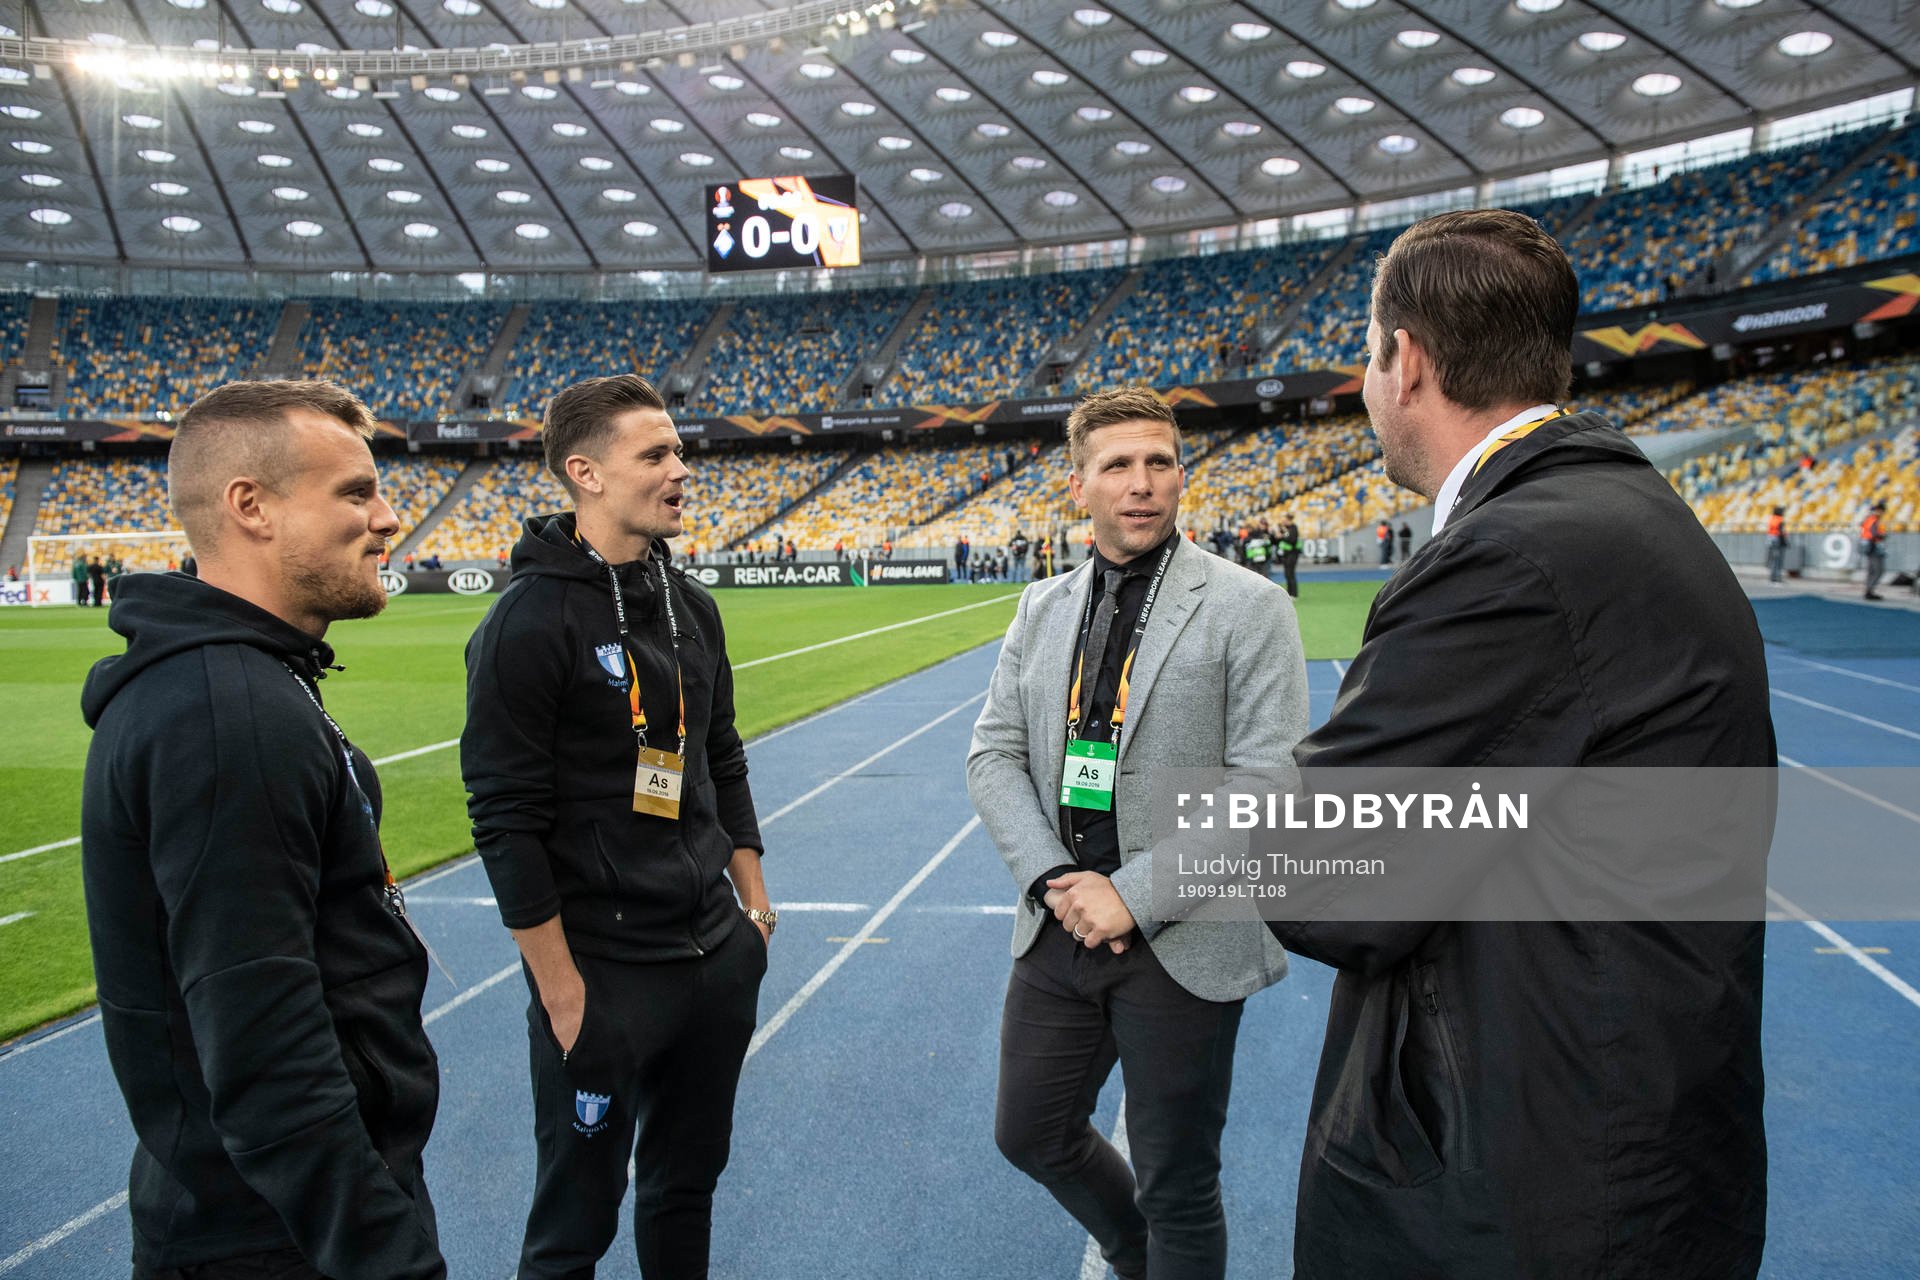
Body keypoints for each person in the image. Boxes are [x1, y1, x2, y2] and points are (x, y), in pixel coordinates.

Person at [1262, 209, 1773, 1276]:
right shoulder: (1622, 512)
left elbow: (1317, 875)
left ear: (1407, 360)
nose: (1364, 383)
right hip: (1623, 1141)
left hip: (1534, 1178)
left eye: (1367, 352)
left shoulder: (1509, 558)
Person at [79, 379, 445, 1278]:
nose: (390, 517)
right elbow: (266, 1050)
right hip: (278, 1239)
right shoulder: (229, 716)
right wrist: (390, 1260)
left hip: (269, 1216)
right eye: (356, 493)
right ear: (252, 508)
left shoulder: (246, 685)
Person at [968, 386, 1307, 1280]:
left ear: (1181, 475)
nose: (1142, 482)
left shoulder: (1250, 606)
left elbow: (1270, 789)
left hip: (1183, 934)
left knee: (1180, 1184)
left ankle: (1157, 1249)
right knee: (1031, 1131)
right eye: (1117, 464)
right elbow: (993, 755)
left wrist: (1134, 893)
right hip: (1062, 921)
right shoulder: (1041, 610)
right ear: (1078, 484)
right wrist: (1053, 877)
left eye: (1159, 461)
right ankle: (1132, 1254)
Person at [462, 373, 771, 1280]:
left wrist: (752, 908)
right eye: (657, 454)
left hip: (715, 957)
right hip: (602, 974)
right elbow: (503, 818)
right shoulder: (526, 623)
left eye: (678, 450)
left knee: (685, 1191)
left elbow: (724, 755)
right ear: (585, 472)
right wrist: (563, 996)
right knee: (574, 1221)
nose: (682, 468)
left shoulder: (692, 604)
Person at [1861, 500, 1888, 600]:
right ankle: (1870, 590)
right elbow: (1873, 534)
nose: (1882, 513)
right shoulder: (1873, 520)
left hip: (1870, 547)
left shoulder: (1870, 519)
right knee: (1878, 570)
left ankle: (1869, 589)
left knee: (1872, 570)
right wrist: (1882, 536)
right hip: (1874, 547)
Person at [1277, 514, 1302, 598]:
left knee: (1291, 573)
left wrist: (1283, 536)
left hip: (1292, 553)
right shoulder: (1286, 529)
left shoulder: (1294, 528)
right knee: (1287, 574)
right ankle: (1289, 592)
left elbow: (1292, 540)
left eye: (1285, 520)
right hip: (1286, 553)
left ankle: (1294, 594)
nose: (1284, 522)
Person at [1766, 506, 1789, 583]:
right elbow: (1781, 531)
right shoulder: (1780, 520)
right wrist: (1785, 541)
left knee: (1773, 559)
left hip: (1771, 540)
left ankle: (1772, 576)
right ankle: (1777, 577)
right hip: (1778, 540)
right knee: (1778, 560)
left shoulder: (1771, 519)